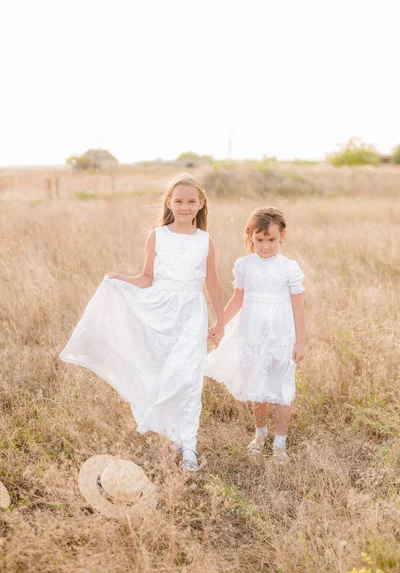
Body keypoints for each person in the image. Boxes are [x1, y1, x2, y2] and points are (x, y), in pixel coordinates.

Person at [60, 173, 224, 472]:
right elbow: (147, 277)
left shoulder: (205, 241)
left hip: (191, 312)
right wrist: (122, 281)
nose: (185, 207)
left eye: (191, 201)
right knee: (162, 371)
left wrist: (220, 321)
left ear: (201, 204)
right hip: (160, 311)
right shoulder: (157, 236)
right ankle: (172, 433)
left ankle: (190, 446)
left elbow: (211, 281)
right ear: (169, 203)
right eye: (179, 201)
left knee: (189, 379)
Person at [206, 207, 306, 463]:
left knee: (281, 387)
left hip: (282, 336)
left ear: (282, 236)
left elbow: (298, 306)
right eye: (259, 240)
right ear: (250, 236)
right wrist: (220, 325)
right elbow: (237, 299)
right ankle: (260, 433)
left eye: (271, 240)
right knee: (257, 386)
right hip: (253, 335)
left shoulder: (289, 268)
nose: (265, 246)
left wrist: (300, 341)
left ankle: (280, 442)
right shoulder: (244, 265)